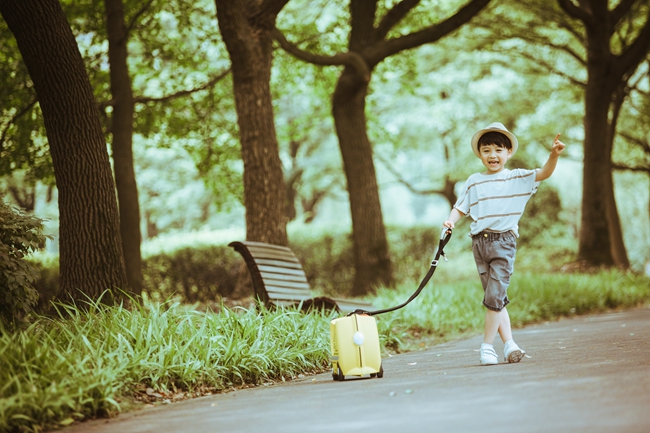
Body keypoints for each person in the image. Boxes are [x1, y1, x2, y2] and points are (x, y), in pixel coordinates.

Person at [443, 122, 566, 365]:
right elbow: (461, 207)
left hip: (504, 242)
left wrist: (553, 155)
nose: (492, 155)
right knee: (495, 298)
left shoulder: (517, 177)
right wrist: (450, 221)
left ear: (509, 152)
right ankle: (509, 345)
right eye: (486, 150)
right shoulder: (474, 181)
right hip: (479, 243)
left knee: (494, 297)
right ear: (480, 154)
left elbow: (544, 173)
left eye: (498, 150)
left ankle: (487, 347)